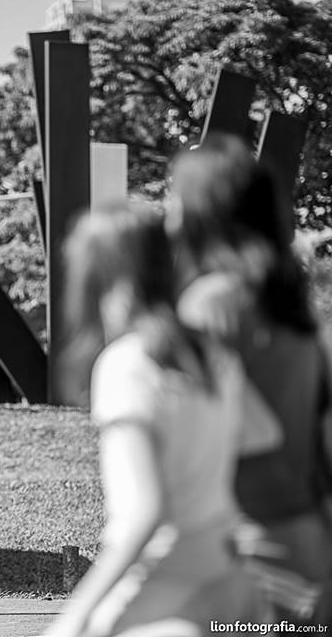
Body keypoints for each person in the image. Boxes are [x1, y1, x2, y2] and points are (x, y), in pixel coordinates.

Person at [46, 204, 267, 637]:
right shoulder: (215, 355)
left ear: (105, 279)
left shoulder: (127, 364)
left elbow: (143, 515)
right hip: (227, 584)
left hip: (156, 597)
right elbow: (262, 437)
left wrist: (74, 618)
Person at [167, 133, 332, 623]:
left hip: (245, 553)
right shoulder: (294, 308)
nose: (167, 209)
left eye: (174, 193)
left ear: (204, 209)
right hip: (306, 541)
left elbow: (217, 433)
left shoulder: (211, 303)